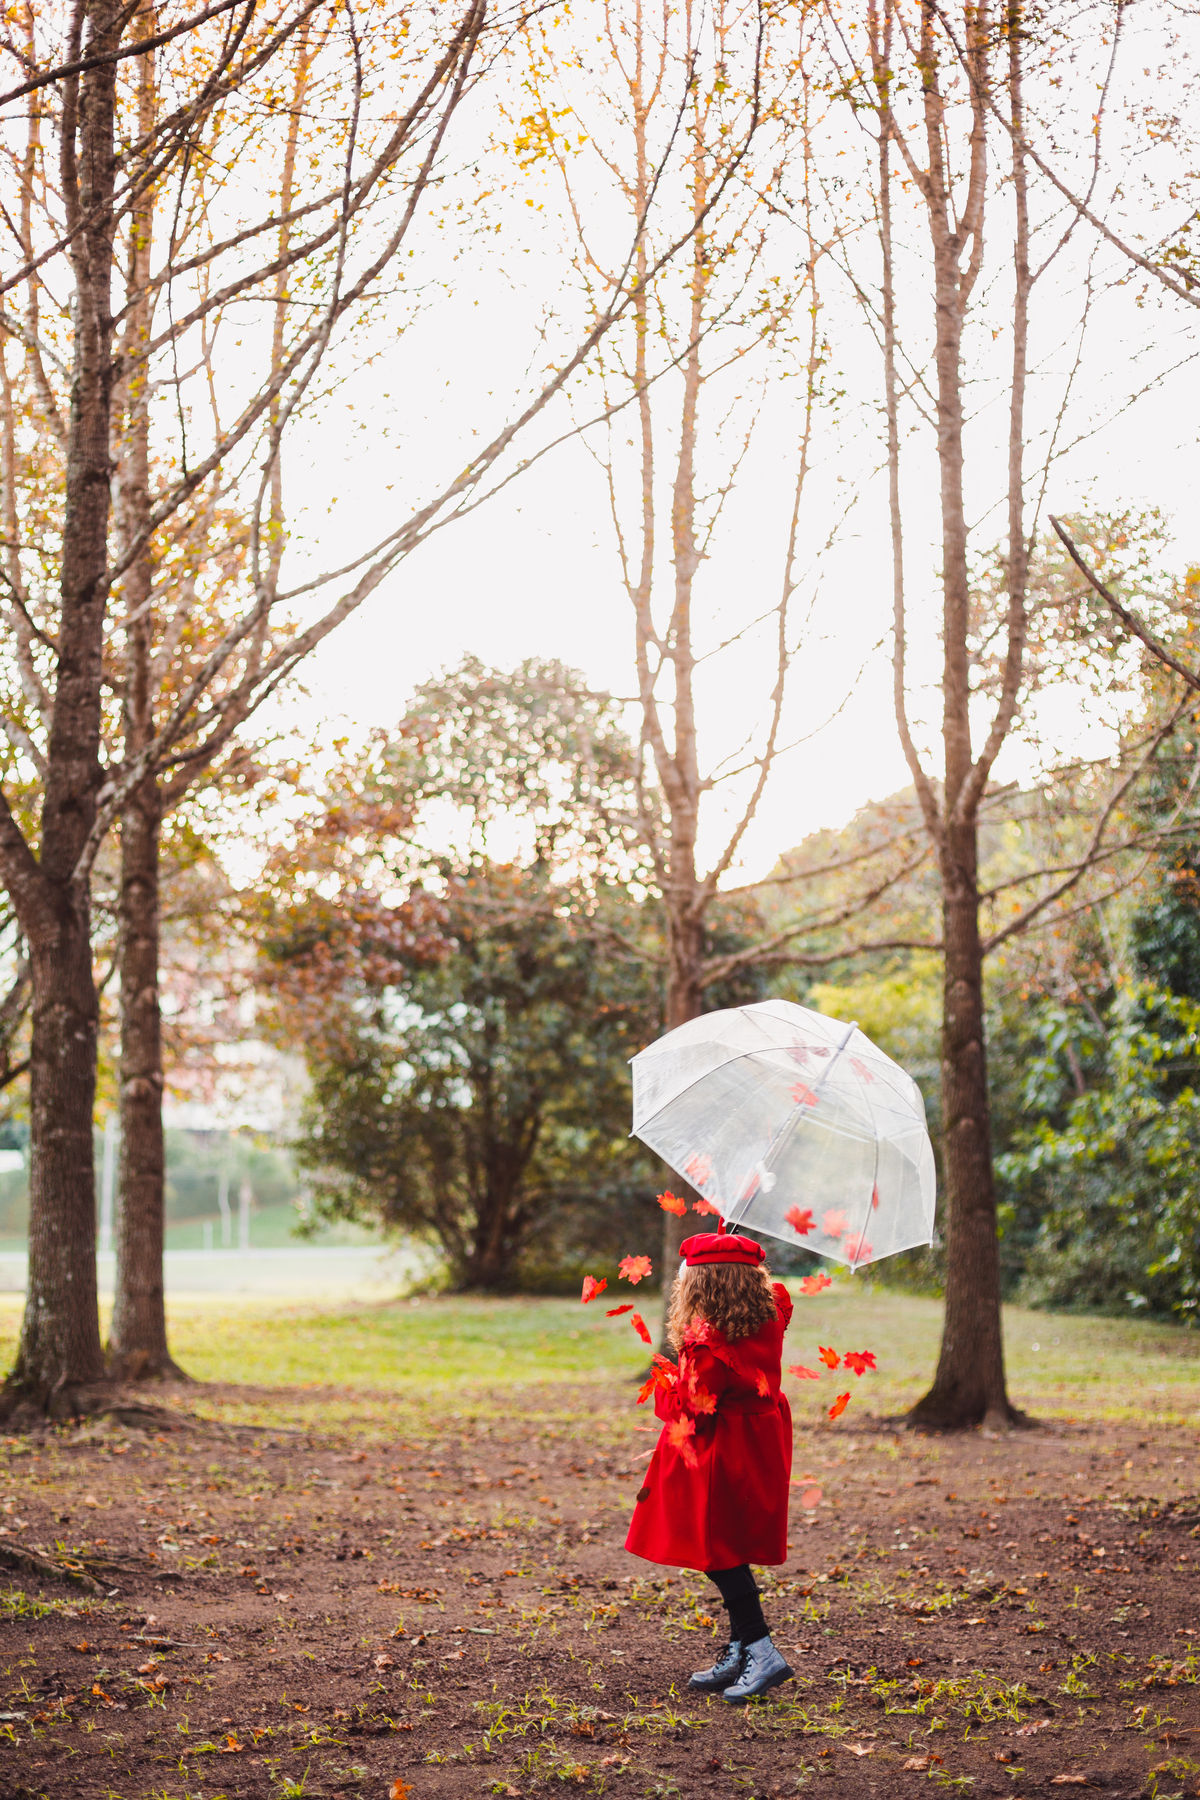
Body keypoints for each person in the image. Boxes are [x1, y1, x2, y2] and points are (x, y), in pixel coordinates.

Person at [624, 1224, 794, 1703]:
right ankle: (742, 1646)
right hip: (759, 1440)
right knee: (729, 1543)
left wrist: (666, 1382)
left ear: (702, 1286)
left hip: (720, 1450)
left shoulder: (706, 1344)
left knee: (716, 1549)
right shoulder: (770, 1310)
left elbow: (693, 1408)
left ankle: (761, 1650)